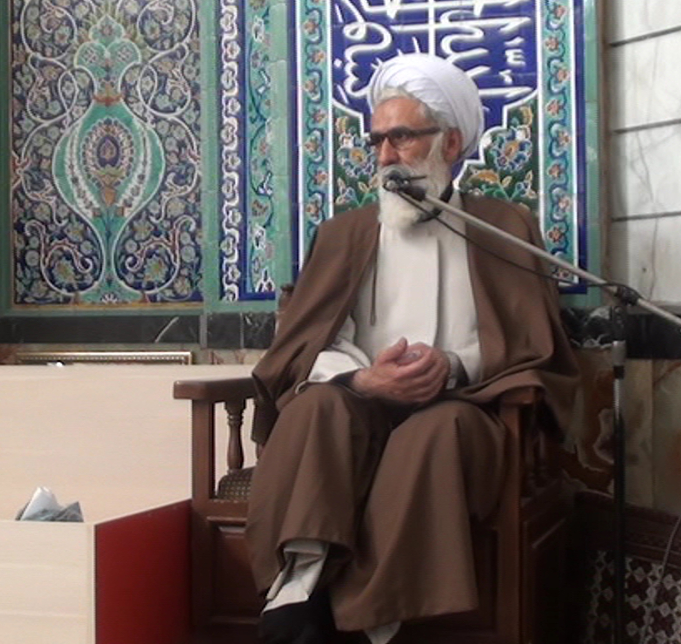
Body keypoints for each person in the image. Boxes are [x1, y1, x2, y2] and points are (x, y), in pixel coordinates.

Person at [245, 52, 579, 644]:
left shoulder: (505, 228)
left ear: (450, 143)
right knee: (318, 407)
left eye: (401, 137)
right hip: (358, 407)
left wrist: (452, 366)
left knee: (432, 432)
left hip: (465, 410)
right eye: (377, 141)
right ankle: (299, 591)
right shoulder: (342, 235)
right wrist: (362, 379)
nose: (384, 157)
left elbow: (532, 347)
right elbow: (307, 344)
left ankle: (371, 617)